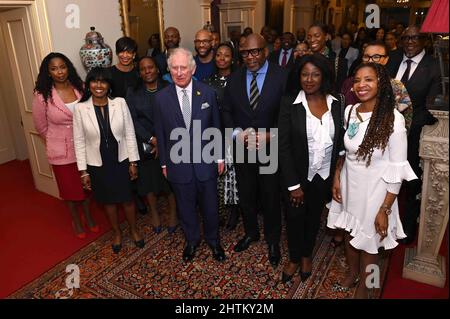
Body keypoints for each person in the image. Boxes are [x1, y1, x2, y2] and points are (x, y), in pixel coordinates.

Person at [327, 63, 417, 298]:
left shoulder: (393, 119)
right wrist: (337, 177)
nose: (361, 85)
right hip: (349, 183)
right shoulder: (350, 111)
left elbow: (398, 169)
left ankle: (368, 286)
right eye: (357, 80)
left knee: (371, 245)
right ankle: (353, 273)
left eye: (369, 80)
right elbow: (346, 152)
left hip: (377, 190)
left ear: (381, 84)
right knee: (348, 233)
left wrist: (385, 209)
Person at [153, 48, 226, 262]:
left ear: (192, 69)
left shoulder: (208, 93)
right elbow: (161, 134)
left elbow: (216, 128)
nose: (179, 72)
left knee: (211, 206)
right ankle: (192, 240)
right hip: (178, 164)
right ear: (169, 71)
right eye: (174, 68)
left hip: (207, 162)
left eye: (183, 67)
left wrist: (220, 157)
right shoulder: (160, 99)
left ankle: (214, 241)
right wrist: (164, 163)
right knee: (185, 207)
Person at [222, 33, 287, 268]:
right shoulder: (235, 78)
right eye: (245, 53)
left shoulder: (282, 77)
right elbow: (226, 111)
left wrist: (271, 135)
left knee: (270, 197)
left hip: (270, 148)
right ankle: (251, 232)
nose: (250, 57)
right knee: (246, 195)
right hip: (243, 148)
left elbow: (288, 115)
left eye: (255, 51)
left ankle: (272, 241)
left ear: (266, 51)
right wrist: (237, 133)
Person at [278, 53, 344, 284]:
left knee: (314, 218)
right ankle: (295, 258)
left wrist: (336, 175)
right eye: (304, 74)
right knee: (294, 219)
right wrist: (293, 184)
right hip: (296, 177)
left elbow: (340, 143)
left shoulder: (337, 103)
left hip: (323, 176)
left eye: (315, 74)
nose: (309, 79)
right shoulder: (289, 102)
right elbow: (282, 146)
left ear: (323, 76)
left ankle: (307, 255)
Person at [73, 67, 143, 254]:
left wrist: (133, 162)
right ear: (88, 85)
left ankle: (134, 230)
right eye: (94, 81)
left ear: (109, 85)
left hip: (121, 157)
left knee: (127, 199)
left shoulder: (119, 103)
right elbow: (79, 140)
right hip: (98, 162)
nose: (99, 85)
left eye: (103, 81)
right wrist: (83, 171)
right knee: (108, 202)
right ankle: (117, 233)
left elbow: (129, 133)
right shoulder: (80, 109)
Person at [32, 52, 98, 239]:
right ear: (48, 72)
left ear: (68, 67)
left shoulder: (81, 87)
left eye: (62, 67)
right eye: (54, 68)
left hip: (85, 148)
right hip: (61, 151)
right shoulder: (42, 95)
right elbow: (41, 127)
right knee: (69, 190)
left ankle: (87, 216)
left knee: (87, 187)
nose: (59, 72)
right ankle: (76, 220)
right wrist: (56, 141)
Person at [386, 26, 441, 244]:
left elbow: (432, 107)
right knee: (383, 178)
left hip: (413, 136)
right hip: (383, 132)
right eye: (406, 38)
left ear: (424, 41)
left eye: (415, 38)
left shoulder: (435, 66)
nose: (410, 41)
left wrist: (403, 126)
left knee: (409, 183)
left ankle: (406, 229)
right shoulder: (392, 59)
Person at [125, 57, 178, 235]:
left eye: (150, 67)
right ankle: (154, 213)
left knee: (170, 181)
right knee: (148, 182)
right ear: (139, 73)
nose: (147, 71)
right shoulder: (132, 92)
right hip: (146, 143)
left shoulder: (170, 88)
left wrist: (162, 141)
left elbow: (175, 115)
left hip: (170, 142)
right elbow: (132, 119)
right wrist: (151, 139)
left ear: (157, 69)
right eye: (143, 69)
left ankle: (173, 213)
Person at [108, 36, 147, 215]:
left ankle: (142, 190)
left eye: (129, 51)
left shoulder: (139, 72)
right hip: (117, 124)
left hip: (138, 121)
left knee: (140, 157)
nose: (125, 55)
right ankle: (133, 195)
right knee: (124, 159)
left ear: (134, 54)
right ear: (117, 53)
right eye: (122, 51)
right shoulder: (108, 73)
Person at [206, 43, 240, 230]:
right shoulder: (207, 81)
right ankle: (218, 210)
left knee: (233, 174)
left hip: (233, 134)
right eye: (218, 54)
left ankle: (234, 211)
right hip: (213, 134)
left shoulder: (239, 80)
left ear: (232, 59)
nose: (221, 58)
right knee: (216, 175)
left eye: (226, 55)